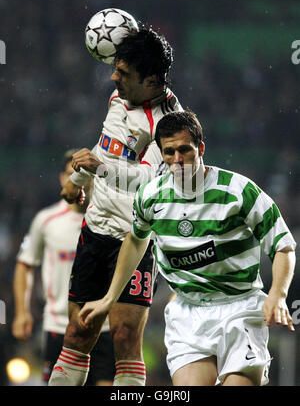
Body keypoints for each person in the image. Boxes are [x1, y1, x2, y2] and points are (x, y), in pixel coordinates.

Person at [78, 110, 297, 386]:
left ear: (200, 148)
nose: (177, 160)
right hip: (188, 313)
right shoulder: (150, 196)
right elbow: (136, 240)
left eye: (184, 150)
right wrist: (109, 298)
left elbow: (283, 245)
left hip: (239, 309)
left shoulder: (239, 191)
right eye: (169, 153)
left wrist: (277, 294)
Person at [48, 27, 182, 386]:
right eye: (115, 69)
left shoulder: (169, 123)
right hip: (94, 230)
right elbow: (104, 147)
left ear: (151, 80)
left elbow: (147, 179)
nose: (113, 77)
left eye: (123, 73)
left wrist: (100, 170)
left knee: (124, 339)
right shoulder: (117, 98)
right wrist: (76, 182)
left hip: (133, 239)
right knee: (77, 333)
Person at [12, 149, 115, 386]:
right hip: (59, 325)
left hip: (104, 326)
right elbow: (25, 264)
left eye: (85, 174)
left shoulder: (111, 219)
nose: (79, 181)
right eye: (73, 174)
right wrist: (21, 312)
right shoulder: (46, 221)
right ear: (62, 180)